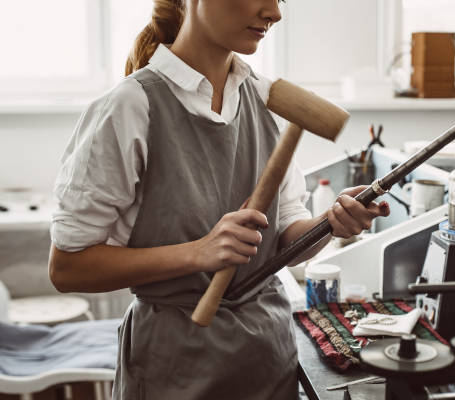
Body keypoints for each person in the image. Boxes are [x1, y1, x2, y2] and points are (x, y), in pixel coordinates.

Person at [48, 0, 390, 398]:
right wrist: (199, 252)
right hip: (175, 367)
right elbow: (67, 268)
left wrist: (329, 224)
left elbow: (285, 239)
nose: (275, 13)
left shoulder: (267, 99)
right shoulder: (130, 107)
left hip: (268, 357)